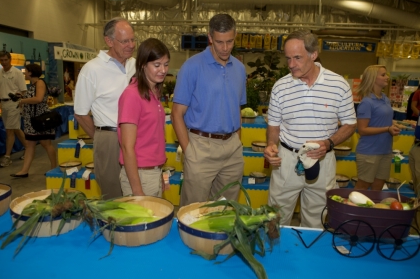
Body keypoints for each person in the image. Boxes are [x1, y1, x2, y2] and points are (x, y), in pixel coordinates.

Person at [264, 30, 356, 228]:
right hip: (286, 160)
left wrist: (329, 143)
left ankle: (309, 257)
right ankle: (275, 256)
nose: (291, 65)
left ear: (313, 54)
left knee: (317, 221)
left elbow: (350, 123)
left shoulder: (338, 85)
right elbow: (274, 124)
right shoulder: (281, 87)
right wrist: (271, 144)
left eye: (297, 58)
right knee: (275, 218)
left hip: (322, 161)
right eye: (288, 58)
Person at [171, 13, 246, 207]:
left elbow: (237, 107)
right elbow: (177, 113)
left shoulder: (239, 68)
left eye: (229, 41)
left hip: (232, 148)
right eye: (219, 42)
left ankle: (221, 239)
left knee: (226, 209)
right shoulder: (191, 67)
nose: (225, 48)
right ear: (210, 37)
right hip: (200, 146)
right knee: (192, 210)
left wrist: (237, 140)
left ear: (235, 36)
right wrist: (189, 152)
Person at [74, 17, 136, 199]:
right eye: (125, 41)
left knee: (136, 189)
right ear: (109, 41)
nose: (131, 45)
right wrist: (102, 137)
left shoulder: (135, 65)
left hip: (137, 136)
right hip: (109, 137)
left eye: (133, 39)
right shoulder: (92, 70)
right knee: (113, 193)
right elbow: (80, 113)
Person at [118, 38, 170, 197]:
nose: (163, 70)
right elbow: (127, 147)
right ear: (142, 65)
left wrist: (160, 175)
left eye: (166, 64)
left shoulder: (154, 93)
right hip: (140, 176)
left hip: (153, 172)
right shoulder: (132, 95)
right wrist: (137, 191)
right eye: (157, 65)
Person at [355, 65, 400, 191]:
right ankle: (353, 211)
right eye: (383, 75)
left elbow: (382, 119)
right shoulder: (367, 102)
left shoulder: (385, 99)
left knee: (378, 189)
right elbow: (362, 130)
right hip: (369, 152)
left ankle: (373, 211)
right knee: (362, 187)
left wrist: (393, 125)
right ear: (373, 78)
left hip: (385, 151)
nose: (387, 77)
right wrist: (387, 129)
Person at [10, 64, 57, 177]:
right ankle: (24, 170)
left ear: (31, 72)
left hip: (40, 120)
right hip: (31, 121)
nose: (24, 73)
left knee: (46, 144)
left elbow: (38, 99)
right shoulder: (32, 85)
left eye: (25, 71)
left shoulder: (40, 83)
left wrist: (23, 101)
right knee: (30, 145)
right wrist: (21, 97)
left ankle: (54, 168)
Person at [0, 51, 27, 167]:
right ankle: (29, 148)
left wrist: (20, 101)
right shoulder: (0, 72)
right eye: (1, 60)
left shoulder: (17, 73)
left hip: (14, 104)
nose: (4, 62)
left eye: (6, 60)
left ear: (10, 59)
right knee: (15, 128)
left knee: (9, 130)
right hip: (4, 104)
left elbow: (23, 90)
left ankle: (7, 157)